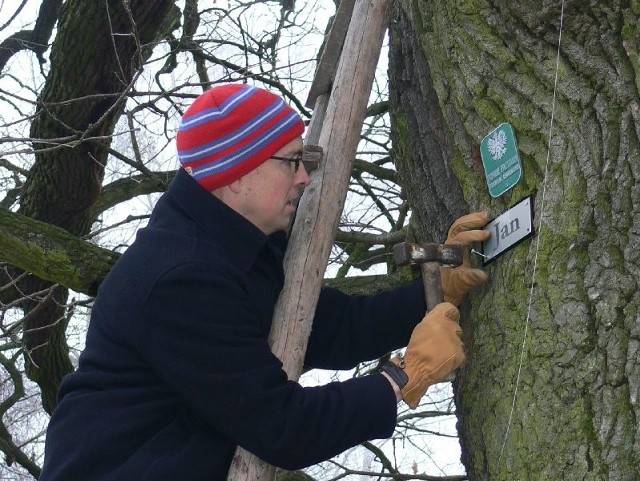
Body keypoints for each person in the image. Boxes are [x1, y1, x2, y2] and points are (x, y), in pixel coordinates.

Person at [40, 83, 490, 480]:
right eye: (291, 162)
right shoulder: (182, 279)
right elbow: (282, 427)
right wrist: (401, 377)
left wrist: (437, 290)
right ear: (236, 174)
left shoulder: (233, 249)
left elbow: (329, 327)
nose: (305, 178)